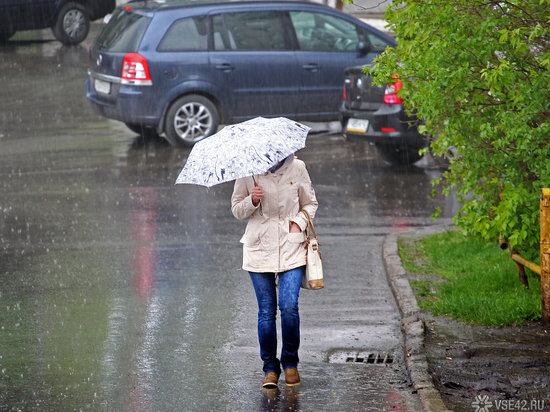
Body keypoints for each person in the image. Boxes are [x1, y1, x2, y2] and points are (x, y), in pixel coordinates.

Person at [231, 153, 318, 389]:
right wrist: (252, 200)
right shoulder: (247, 170)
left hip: (292, 246)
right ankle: (270, 368)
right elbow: (237, 210)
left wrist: (298, 222)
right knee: (266, 313)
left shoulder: (298, 167)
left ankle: (290, 363)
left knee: (289, 307)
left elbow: (310, 203)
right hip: (258, 249)